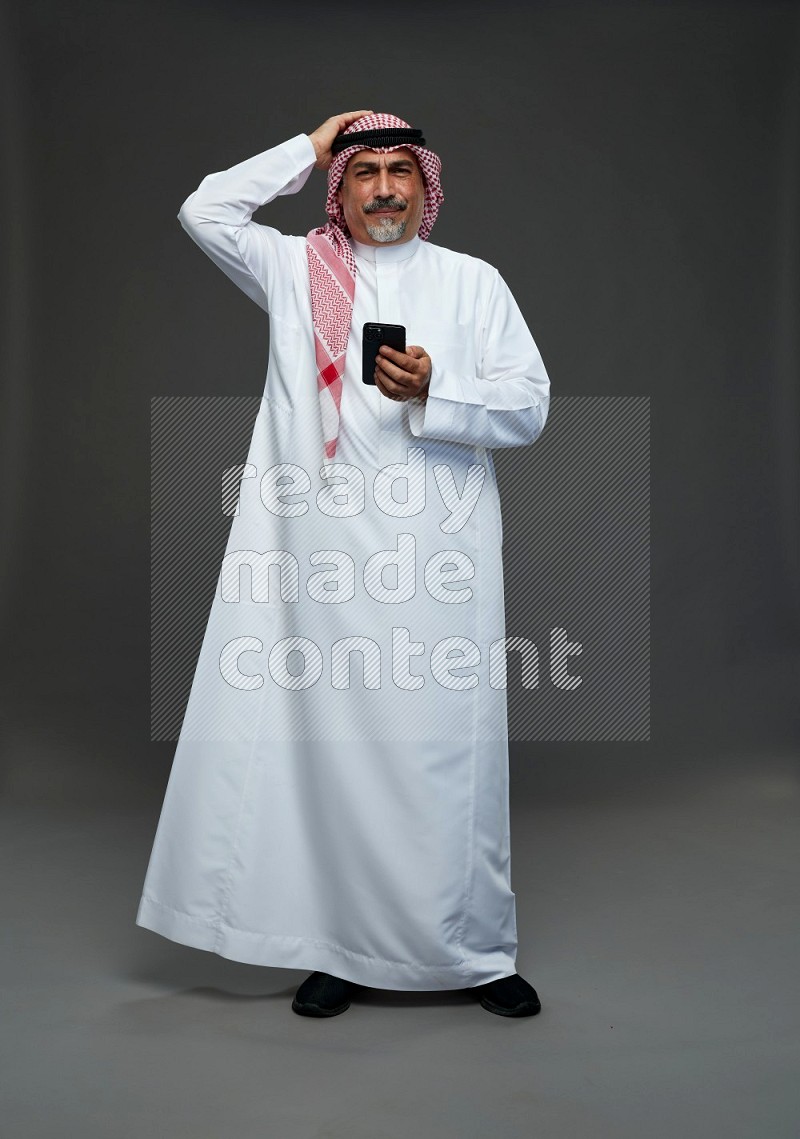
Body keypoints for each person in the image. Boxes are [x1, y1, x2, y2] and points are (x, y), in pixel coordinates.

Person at [136, 110, 551, 1019]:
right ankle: (340, 947)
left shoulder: (472, 283)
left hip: (435, 562)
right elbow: (206, 211)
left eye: (401, 170)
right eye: (363, 173)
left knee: (449, 759)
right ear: (340, 187)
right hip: (317, 569)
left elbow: (528, 406)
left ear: (426, 185)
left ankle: (477, 952)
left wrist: (440, 390)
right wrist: (311, 142)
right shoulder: (296, 268)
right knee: (333, 758)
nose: (386, 190)